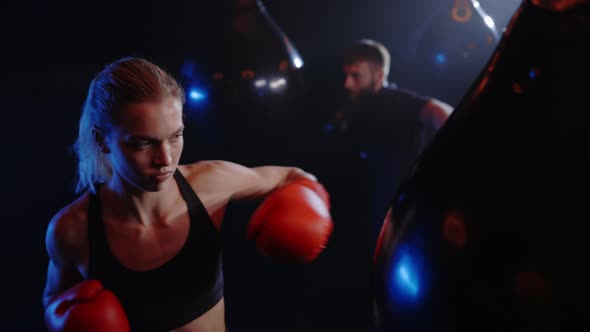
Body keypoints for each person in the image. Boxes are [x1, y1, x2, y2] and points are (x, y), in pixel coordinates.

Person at [42, 57, 333, 332]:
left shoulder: (211, 184)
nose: (165, 159)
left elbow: (294, 177)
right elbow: (54, 299)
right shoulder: (73, 229)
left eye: (175, 136)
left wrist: (307, 207)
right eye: (143, 143)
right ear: (102, 140)